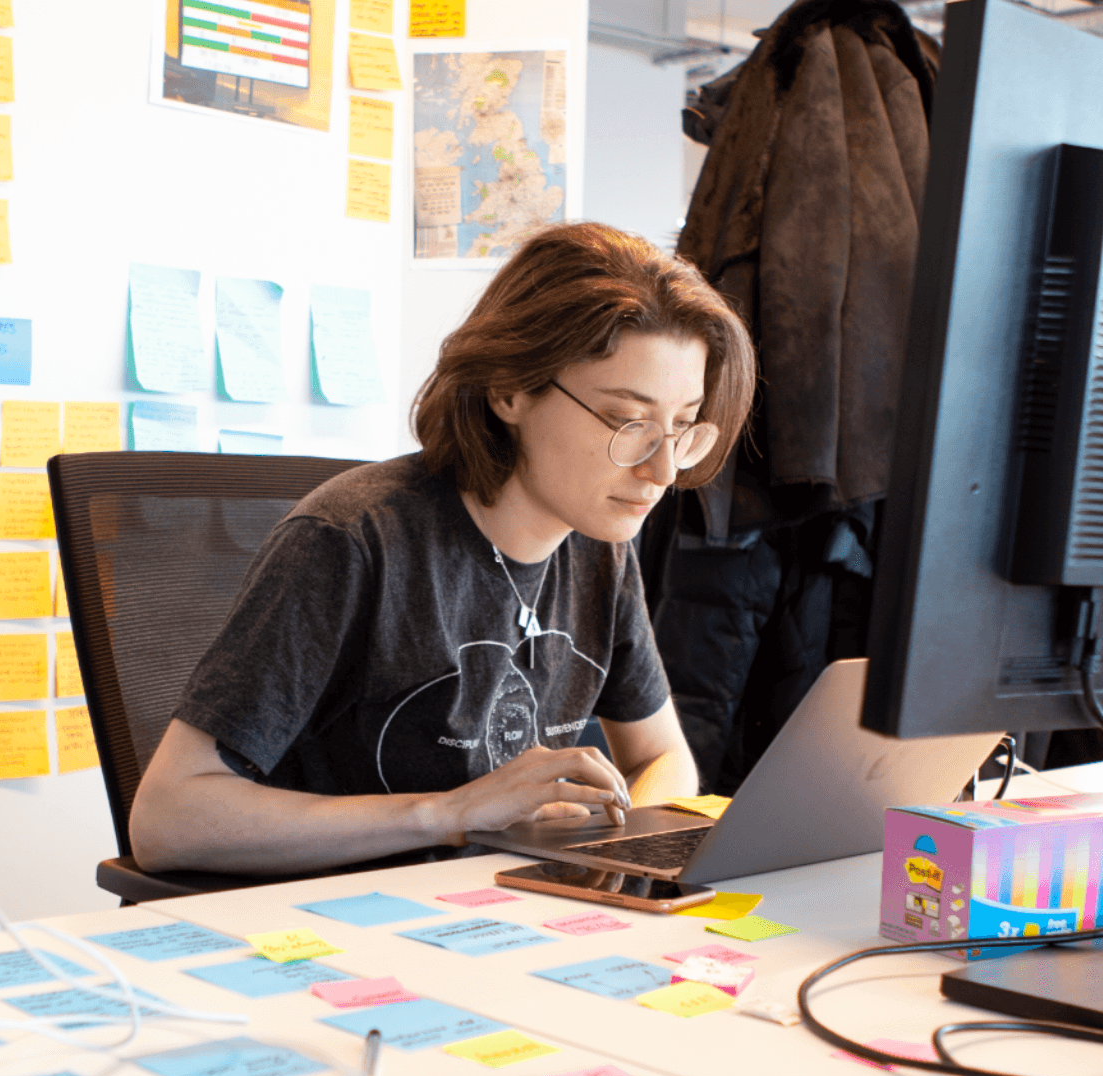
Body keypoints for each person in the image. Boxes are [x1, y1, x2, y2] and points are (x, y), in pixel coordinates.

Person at [131, 222, 757, 875]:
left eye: (683, 428)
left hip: (505, 915)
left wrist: (613, 844)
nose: (661, 472)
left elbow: (665, 759)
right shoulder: (351, 542)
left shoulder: (598, 541)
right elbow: (168, 818)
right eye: (628, 422)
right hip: (340, 928)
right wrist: (452, 813)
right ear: (511, 389)